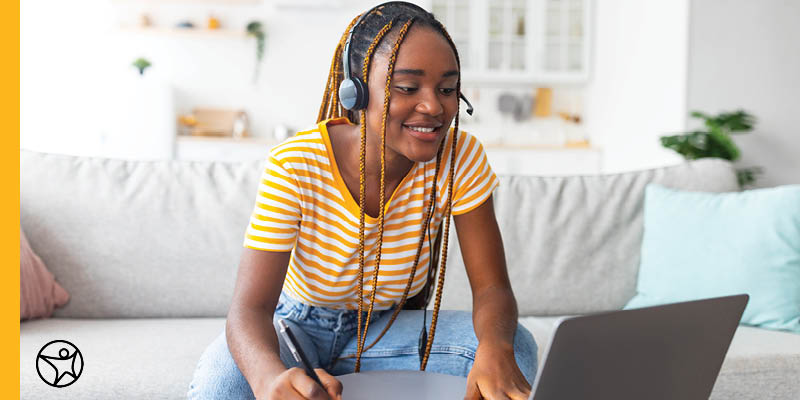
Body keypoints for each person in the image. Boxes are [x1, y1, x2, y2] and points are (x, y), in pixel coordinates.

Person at [187, 2, 537, 399]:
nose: (433, 106)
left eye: (447, 89)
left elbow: (492, 288)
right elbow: (249, 309)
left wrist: (494, 348)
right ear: (356, 93)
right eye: (408, 88)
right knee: (225, 382)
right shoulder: (295, 163)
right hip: (297, 329)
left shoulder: (460, 157)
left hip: (387, 330)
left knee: (514, 349)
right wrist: (269, 379)